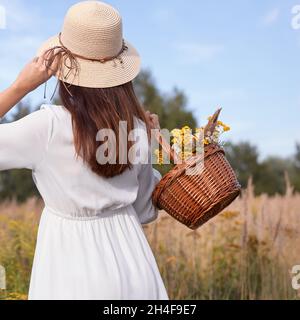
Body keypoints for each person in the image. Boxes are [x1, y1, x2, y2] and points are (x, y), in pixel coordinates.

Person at [0, 1, 169, 300]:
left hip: (69, 269)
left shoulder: (47, 127)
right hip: (135, 264)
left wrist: (20, 87)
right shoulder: (140, 131)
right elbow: (144, 210)